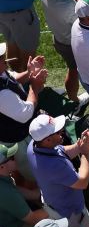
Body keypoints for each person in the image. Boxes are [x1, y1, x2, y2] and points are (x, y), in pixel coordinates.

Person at [26, 114, 89, 227]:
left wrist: (79, 146)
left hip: (55, 204)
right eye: (58, 132)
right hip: (70, 212)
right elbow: (82, 182)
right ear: (47, 140)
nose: (62, 132)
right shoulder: (52, 166)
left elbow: (62, 151)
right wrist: (86, 154)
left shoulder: (33, 145)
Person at [38, 0, 89, 104]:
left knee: (73, 69)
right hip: (71, 45)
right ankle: (75, 100)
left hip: (60, 39)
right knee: (76, 71)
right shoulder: (65, 8)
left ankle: (73, 98)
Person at [0, 42, 47, 180]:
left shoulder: (1, 73)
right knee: (30, 171)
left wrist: (29, 73)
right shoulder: (2, 95)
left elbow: (12, 79)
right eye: (2, 58)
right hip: (17, 139)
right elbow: (25, 114)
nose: (5, 59)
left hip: (16, 132)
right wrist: (34, 86)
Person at [0, 143, 48, 227]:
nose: (16, 157)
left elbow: (33, 194)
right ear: (2, 167)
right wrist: (57, 206)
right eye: (12, 157)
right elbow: (33, 219)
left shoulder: (4, 179)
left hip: (23, 220)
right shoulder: (5, 191)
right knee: (59, 219)